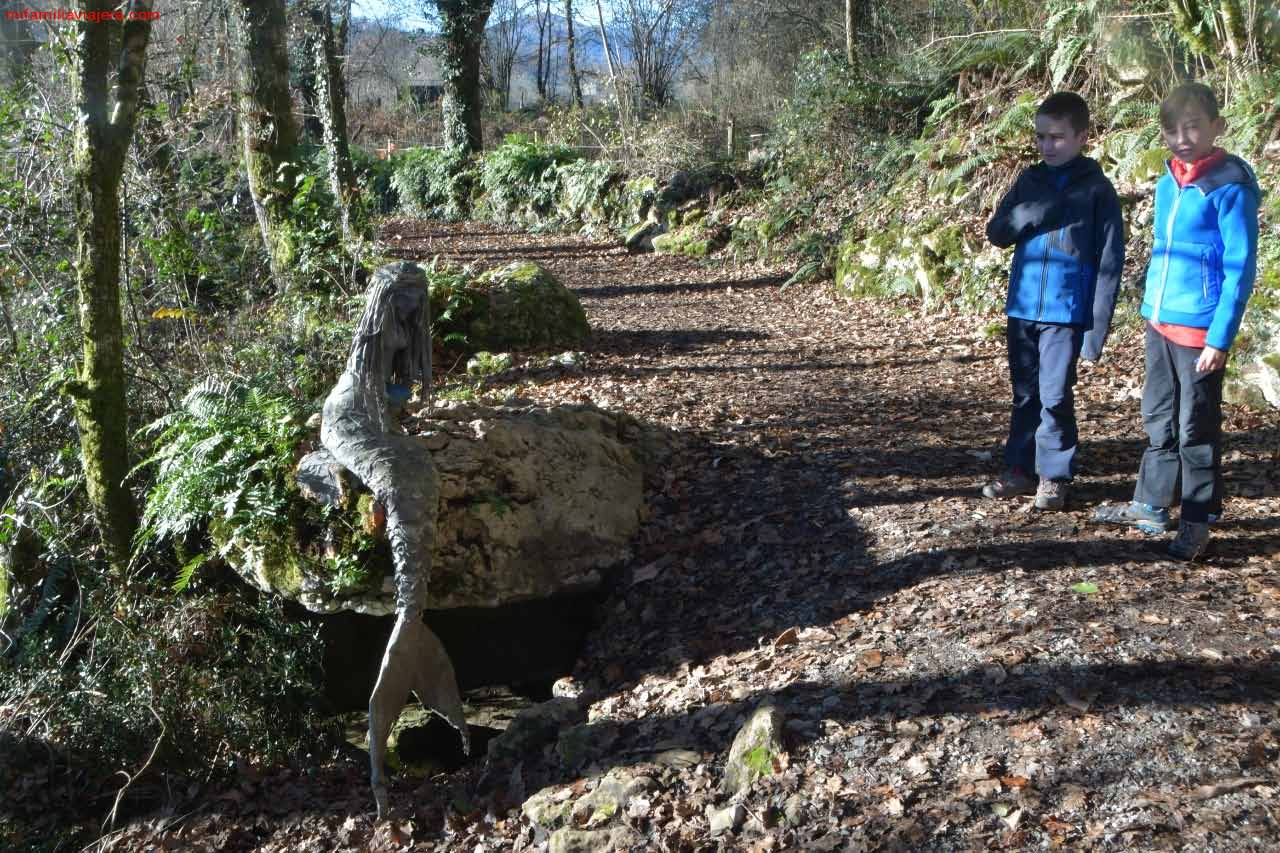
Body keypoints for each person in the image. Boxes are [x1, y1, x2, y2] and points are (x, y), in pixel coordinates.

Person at [1093, 82, 1260, 560]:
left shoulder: (1228, 186)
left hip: (1201, 331)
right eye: (1172, 129)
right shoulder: (1169, 180)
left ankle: (1197, 518)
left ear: (1216, 128)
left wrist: (1220, 338)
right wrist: (1150, 309)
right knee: (1158, 417)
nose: (1182, 137)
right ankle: (1150, 504)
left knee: (1196, 427)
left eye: (1193, 126)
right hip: (1160, 323)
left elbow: (1239, 268)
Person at [982, 92, 1125, 510]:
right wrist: (1023, 216)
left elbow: (1110, 263)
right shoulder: (1029, 180)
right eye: (1041, 137)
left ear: (1082, 136)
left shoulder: (1098, 190)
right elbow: (997, 233)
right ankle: (1020, 471)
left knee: (1055, 395)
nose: (1048, 145)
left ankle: (1055, 476)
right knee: (1025, 393)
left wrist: (1096, 330)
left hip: (1066, 311)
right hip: (1023, 306)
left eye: (1058, 137)